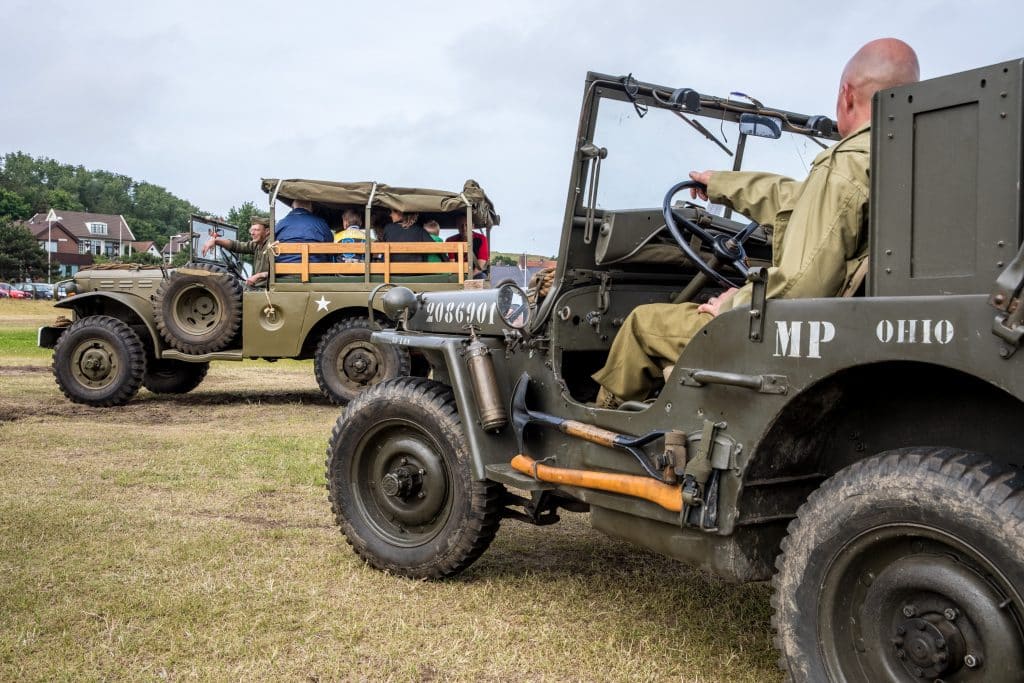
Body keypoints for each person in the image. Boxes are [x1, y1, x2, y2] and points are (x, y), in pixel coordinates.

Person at [591, 38, 921, 407]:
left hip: (791, 333)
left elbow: (801, 283)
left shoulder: (844, 165)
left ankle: (599, 434)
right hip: (854, 331)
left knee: (641, 325)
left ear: (846, 95)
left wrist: (733, 304)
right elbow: (802, 198)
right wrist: (722, 185)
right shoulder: (904, 155)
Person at [202, 216, 271, 287]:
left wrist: (259, 276)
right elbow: (237, 245)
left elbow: (279, 272)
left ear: (267, 231)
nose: (252, 233)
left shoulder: (272, 246)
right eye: (251, 230)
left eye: (256, 230)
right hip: (260, 287)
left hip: (269, 288)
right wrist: (215, 240)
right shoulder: (258, 245)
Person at [274, 199, 334, 263]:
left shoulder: (280, 223)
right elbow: (330, 244)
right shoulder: (321, 223)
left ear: (293, 207)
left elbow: (272, 243)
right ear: (311, 208)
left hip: (284, 269)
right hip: (316, 270)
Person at [445, 213, 490, 278]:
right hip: (458, 273)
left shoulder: (481, 239)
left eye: (467, 225)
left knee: (481, 277)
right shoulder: (450, 240)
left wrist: (468, 278)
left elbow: (481, 265)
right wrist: (459, 277)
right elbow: (452, 263)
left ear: (473, 226)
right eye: (461, 225)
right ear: (457, 226)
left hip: (476, 273)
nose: (464, 228)